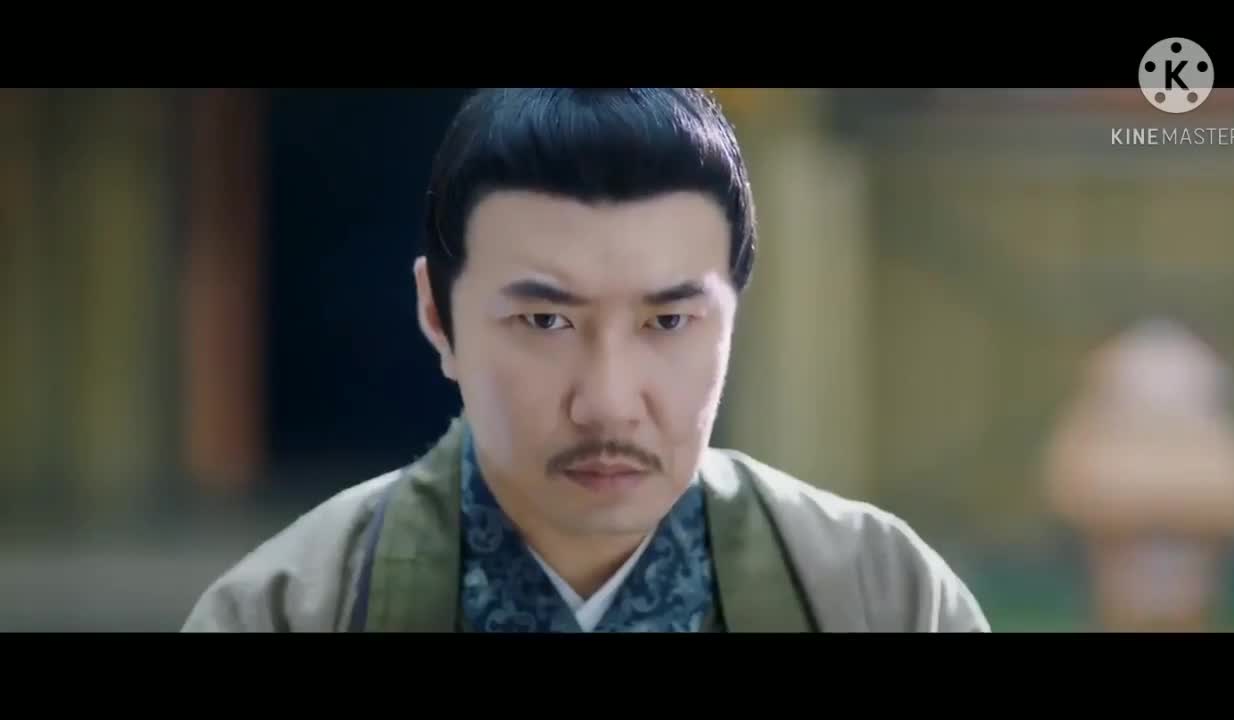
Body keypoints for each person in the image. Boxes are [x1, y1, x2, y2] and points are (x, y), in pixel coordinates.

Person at [181, 88, 990, 633]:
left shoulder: (882, 594)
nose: (607, 403)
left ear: (734, 318)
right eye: (545, 320)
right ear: (437, 316)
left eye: (668, 321)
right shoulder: (287, 609)